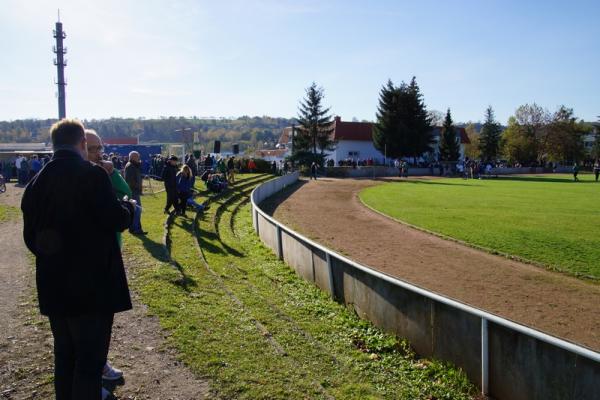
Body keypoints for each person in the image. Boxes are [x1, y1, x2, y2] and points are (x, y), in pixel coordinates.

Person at [21, 119, 135, 400]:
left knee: (65, 357)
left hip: (54, 286)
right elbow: (114, 219)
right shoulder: (91, 175)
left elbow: (30, 238)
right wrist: (129, 210)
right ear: (82, 143)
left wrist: (56, 258)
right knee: (89, 362)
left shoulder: (35, 183)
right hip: (91, 288)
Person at [124, 151, 147, 234]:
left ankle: (135, 228)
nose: (139, 158)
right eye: (138, 157)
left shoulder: (133, 165)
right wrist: (138, 186)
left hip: (134, 191)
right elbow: (129, 181)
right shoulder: (130, 166)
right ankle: (136, 229)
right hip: (133, 192)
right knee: (137, 210)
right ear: (133, 157)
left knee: (135, 210)